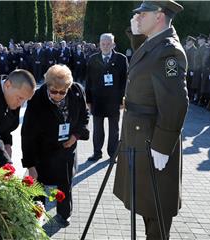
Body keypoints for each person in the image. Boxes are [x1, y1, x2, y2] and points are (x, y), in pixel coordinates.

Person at [113, 1, 189, 239]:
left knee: (157, 206)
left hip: (152, 138)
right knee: (145, 200)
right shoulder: (154, 44)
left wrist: (163, 145)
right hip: (139, 135)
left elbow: (176, 101)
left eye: (142, 14)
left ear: (159, 16)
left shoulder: (169, 51)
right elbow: (146, 63)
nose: (137, 18)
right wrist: (136, 36)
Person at [21, 65, 89, 227]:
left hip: (67, 147)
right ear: (47, 86)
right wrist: (29, 164)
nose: (58, 95)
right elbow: (28, 134)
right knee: (38, 184)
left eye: (62, 92)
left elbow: (84, 117)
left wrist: (75, 136)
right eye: (53, 91)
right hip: (43, 150)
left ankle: (64, 214)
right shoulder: (37, 98)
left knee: (65, 182)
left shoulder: (76, 91)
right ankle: (36, 217)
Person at [85, 33, 128, 162]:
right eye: (103, 43)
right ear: (99, 44)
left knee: (114, 129)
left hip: (114, 101)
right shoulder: (93, 59)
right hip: (97, 101)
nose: (105, 46)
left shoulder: (121, 59)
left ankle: (113, 154)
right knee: (97, 129)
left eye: (108, 43)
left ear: (113, 44)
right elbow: (89, 81)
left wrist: (123, 99)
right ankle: (97, 153)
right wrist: (88, 100)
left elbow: (125, 81)